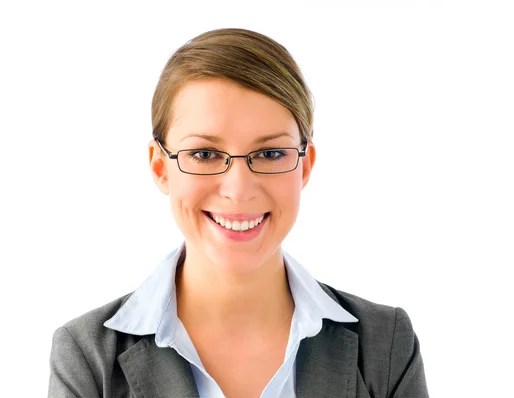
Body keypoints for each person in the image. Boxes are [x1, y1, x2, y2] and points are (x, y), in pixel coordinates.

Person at [48, 28, 429, 398]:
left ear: (305, 166)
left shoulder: (385, 347)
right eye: (204, 154)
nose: (239, 190)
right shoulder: (88, 358)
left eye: (270, 153)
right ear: (160, 167)